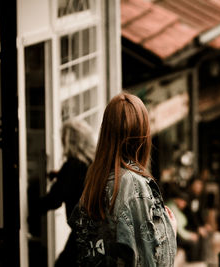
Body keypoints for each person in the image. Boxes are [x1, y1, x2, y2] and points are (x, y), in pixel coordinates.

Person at [68, 92, 177, 266]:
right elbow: (149, 261)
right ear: (143, 136)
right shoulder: (133, 185)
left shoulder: (97, 179)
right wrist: (170, 230)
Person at [34, 118, 95, 266]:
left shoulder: (72, 166)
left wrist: (30, 206)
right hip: (98, 231)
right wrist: (59, 175)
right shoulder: (93, 162)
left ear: (70, 142)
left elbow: (54, 200)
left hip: (82, 234)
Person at [165, 185, 202, 262]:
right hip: (175, 235)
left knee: (196, 237)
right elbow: (178, 228)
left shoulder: (175, 207)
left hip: (178, 233)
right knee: (194, 242)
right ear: (178, 200)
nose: (185, 205)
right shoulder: (171, 207)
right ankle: (193, 262)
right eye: (184, 202)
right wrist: (189, 236)